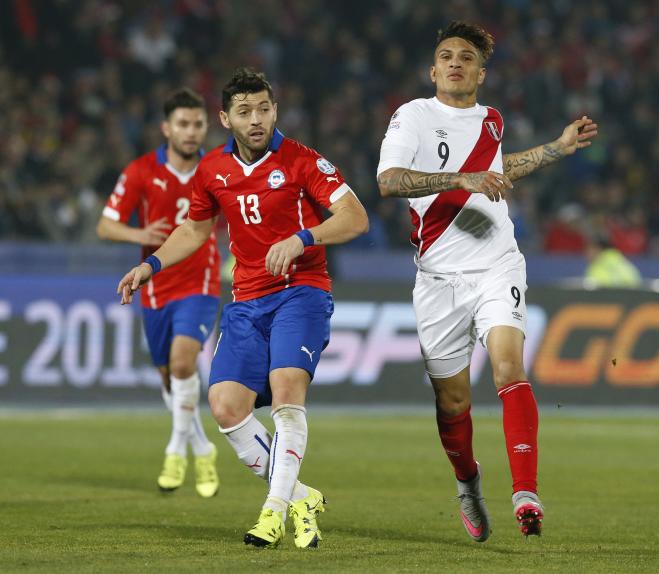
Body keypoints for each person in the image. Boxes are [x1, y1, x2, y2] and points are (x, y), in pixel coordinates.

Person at [117, 67, 369, 549]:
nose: (256, 119)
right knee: (225, 406)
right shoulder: (213, 169)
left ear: (275, 110)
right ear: (225, 117)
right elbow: (194, 230)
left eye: (264, 108)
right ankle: (301, 496)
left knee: (285, 391)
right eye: (244, 111)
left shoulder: (303, 161)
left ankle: (273, 512)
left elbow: (355, 216)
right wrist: (151, 265)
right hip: (247, 300)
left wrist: (303, 238)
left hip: (301, 291)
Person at [377, 21, 598, 540]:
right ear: (433, 70)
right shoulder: (413, 116)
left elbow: (499, 172)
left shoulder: (491, 121)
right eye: (446, 55)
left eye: (467, 57)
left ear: (481, 71)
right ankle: (468, 484)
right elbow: (388, 182)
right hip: (438, 278)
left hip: (498, 264)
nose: (456, 62)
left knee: (507, 367)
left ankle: (526, 493)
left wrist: (556, 148)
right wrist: (459, 177)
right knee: (452, 402)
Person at [97, 87, 221, 498]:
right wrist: (139, 233)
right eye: (183, 124)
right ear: (167, 128)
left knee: (184, 361)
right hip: (153, 286)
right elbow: (106, 224)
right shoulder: (140, 171)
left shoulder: (218, 170)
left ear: (207, 126)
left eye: (198, 124)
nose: (191, 132)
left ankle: (174, 451)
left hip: (200, 283)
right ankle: (202, 448)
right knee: (170, 380)